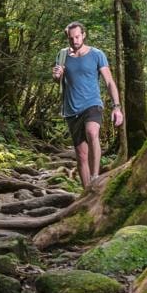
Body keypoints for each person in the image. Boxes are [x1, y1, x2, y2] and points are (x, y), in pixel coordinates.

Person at [51, 22, 123, 188]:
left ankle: (95, 177)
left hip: (92, 104)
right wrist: (56, 76)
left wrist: (116, 106)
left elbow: (109, 81)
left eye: (77, 37)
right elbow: (58, 81)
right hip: (71, 109)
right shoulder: (62, 56)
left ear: (83, 35)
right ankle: (86, 193)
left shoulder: (97, 54)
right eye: (71, 38)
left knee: (92, 132)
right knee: (82, 156)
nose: (75, 41)